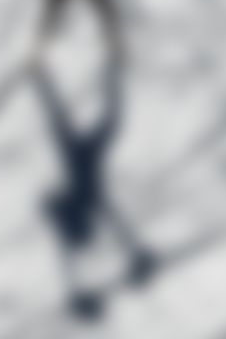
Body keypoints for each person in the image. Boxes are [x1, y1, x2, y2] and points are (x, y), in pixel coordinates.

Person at [32, 63, 156, 320]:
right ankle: (104, 70)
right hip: (80, 156)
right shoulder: (90, 206)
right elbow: (115, 227)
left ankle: (109, 70)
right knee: (72, 119)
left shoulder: (91, 205)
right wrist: (136, 254)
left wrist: (136, 254)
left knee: (98, 119)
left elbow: (113, 227)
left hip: (83, 156)